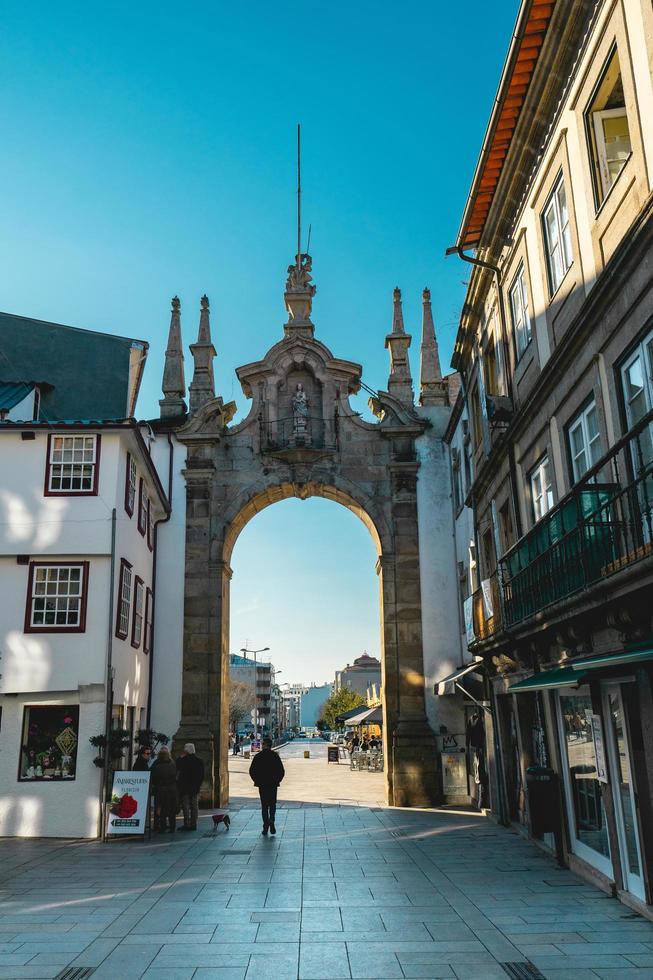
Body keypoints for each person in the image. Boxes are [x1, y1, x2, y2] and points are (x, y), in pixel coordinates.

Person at [249, 737, 285, 836]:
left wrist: (257, 781)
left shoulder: (258, 756)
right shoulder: (275, 756)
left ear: (264, 744)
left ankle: (265, 826)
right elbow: (281, 771)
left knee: (264, 806)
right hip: (273, 785)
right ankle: (272, 820)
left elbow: (252, 771)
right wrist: (277, 780)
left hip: (262, 785)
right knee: (272, 804)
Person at [176, 743, 205, 832]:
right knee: (194, 806)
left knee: (186, 806)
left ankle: (186, 823)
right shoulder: (199, 761)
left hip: (185, 788)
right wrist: (198, 785)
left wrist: (181, 757)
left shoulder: (183, 760)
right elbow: (202, 775)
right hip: (195, 788)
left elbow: (176, 766)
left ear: (186, 750)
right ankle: (194, 824)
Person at [151, 745, 178, 833]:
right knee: (171, 810)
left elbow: (153, 778)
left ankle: (162, 827)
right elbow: (175, 776)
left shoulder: (157, 765)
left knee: (161, 809)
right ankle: (172, 827)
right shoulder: (173, 764)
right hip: (171, 790)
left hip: (160, 790)